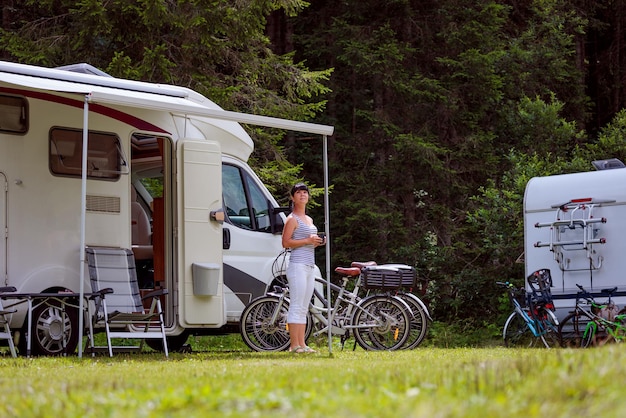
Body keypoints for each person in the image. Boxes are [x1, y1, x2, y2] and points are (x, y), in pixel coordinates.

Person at [282, 182, 325, 353]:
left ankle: (302, 344)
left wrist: (317, 242)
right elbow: (286, 243)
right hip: (297, 265)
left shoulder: (309, 220)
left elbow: (307, 243)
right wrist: (308, 240)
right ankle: (294, 345)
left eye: (305, 192)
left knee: (305, 305)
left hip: (309, 264)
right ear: (293, 198)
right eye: (298, 193)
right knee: (296, 304)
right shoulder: (292, 219)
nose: (302, 195)